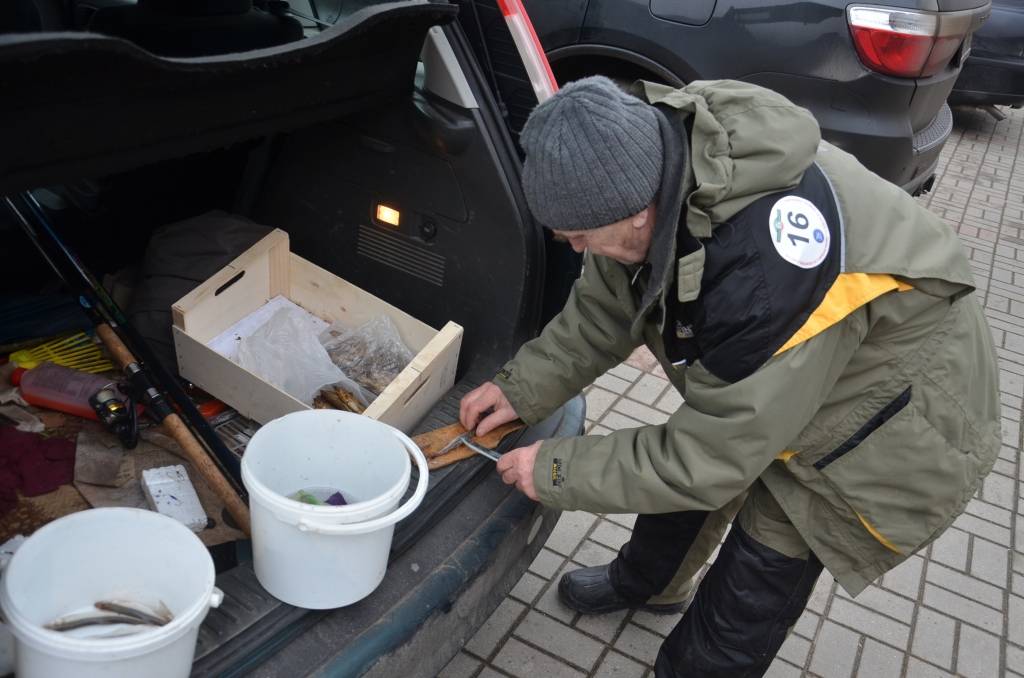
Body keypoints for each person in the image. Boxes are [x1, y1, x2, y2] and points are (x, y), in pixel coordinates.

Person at [458, 76, 1001, 677]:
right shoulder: (659, 166)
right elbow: (607, 308)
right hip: (786, 369)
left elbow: (707, 460)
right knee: (685, 466)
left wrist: (558, 469)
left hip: (884, 417)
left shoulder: (762, 282)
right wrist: (521, 387)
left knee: (761, 562)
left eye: (581, 235)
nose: (574, 245)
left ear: (639, 214)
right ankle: (651, 584)